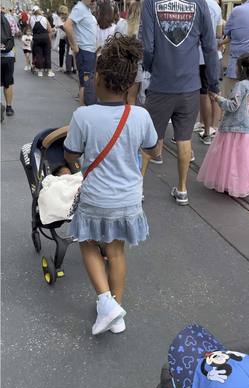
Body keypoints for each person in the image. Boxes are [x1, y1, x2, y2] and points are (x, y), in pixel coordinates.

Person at [63, 33, 159, 336]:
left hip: (96, 199)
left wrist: (76, 165)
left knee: (88, 243)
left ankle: (105, 302)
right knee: (116, 252)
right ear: (131, 85)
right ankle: (116, 314)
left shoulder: (83, 116)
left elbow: (71, 153)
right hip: (128, 200)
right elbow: (154, 150)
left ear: (99, 79)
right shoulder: (140, 116)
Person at [141, 0, 220, 206]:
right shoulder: (199, 4)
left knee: (149, 138)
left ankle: (136, 188)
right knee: (184, 138)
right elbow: (210, 46)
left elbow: (147, 45)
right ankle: (183, 189)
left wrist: (149, 67)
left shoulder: (151, 3)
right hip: (189, 85)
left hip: (161, 84)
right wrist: (213, 83)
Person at [197, 51, 249, 198]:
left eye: (237, 67)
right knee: (244, 161)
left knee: (230, 158)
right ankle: (242, 185)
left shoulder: (241, 85)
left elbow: (233, 105)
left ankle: (227, 184)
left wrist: (217, 98)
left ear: (242, 69)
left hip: (235, 129)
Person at [196, 0, 223, 145]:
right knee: (213, 91)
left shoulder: (196, 4)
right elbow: (218, 33)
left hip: (197, 55)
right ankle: (212, 127)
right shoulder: (216, 7)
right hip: (213, 55)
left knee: (202, 93)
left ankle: (206, 130)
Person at [64, 0, 97, 105]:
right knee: (85, 83)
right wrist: (75, 46)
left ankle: (84, 111)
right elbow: (67, 26)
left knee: (86, 82)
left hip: (89, 52)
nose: (94, 1)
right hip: (85, 52)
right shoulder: (80, 8)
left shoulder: (85, 8)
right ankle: (83, 111)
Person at [115, 0, 142, 104]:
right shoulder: (141, 28)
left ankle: (120, 118)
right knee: (132, 98)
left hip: (121, 64)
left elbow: (115, 41)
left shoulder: (121, 24)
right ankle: (130, 119)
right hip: (136, 65)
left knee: (120, 96)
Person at [30, 6, 55, 77]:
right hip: (45, 38)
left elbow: (31, 29)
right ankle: (49, 71)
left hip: (36, 38)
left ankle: (40, 71)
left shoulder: (31, 19)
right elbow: (49, 30)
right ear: (39, 10)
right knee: (47, 54)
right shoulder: (44, 18)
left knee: (38, 55)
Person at [1, 10, 16, 116]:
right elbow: (15, 32)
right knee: (8, 82)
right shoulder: (10, 18)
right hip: (8, 55)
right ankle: (9, 107)